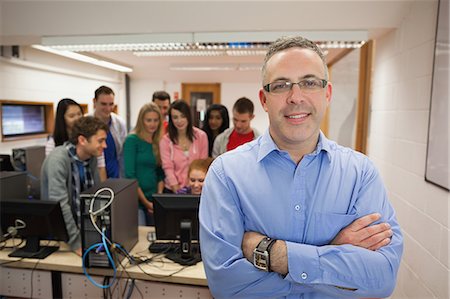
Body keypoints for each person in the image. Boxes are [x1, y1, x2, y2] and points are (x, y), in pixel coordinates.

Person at [199, 36, 403, 298]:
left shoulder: (360, 174)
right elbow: (227, 286)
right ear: (264, 99)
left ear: (327, 93)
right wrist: (335, 251)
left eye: (309, 82)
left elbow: (382, 277)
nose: (296, 97)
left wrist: (275, 254)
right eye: (282, 85)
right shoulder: (226, 174)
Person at [41, 116, 107, 256]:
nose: (105, 145)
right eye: (100, 141)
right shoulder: (58, 159)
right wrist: (77, 243)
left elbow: (94, 198)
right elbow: (60, 205)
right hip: (61, 238)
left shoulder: (91, 159)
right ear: (82, 140)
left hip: (82, 233)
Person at [123, 103, 165, 226]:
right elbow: (130, 175)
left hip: (154, 198)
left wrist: (158, 198)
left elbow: (159, 173)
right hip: (137, 201)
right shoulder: (132, 140)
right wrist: (146, 203)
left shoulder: (157, 141)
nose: (152, 124)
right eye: (149, 120)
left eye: (156, 120)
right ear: (142, 121)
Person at [159, 100, 208, 193]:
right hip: (172, 189)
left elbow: (202, 165)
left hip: (197, 189)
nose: (179, 121)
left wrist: (193, 187)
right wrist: (177, 190)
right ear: (171, 119)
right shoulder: (165, 141)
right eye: (175, 117)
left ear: (188, 117)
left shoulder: (201, 136)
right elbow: (168, 167)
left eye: (183, 116)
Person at [91, 85, 127, 180]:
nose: (108, 108)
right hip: (94, 173)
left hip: (115, 174)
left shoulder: (119, 123)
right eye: (103, 104)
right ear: (94, 102)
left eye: (111, 104)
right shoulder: (85, 122)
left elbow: (122, 152)